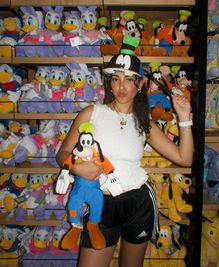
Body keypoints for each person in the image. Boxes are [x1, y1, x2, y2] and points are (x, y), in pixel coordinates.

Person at [56, 35, 193, 267]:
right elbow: (62, 154)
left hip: (138, 204)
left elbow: (184, 158)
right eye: (116, 79)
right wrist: (77, 167)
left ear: (140, 85)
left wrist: (184, 118)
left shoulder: (144, 122)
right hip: (101, 204)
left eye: (129, 80)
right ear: (109, 82)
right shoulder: (91, 113)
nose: (121, 86)